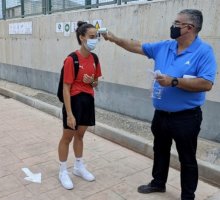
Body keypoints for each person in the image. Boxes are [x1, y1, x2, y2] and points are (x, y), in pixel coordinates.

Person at [103, 9, 217, 200]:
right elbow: (137, 46)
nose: (173, 26)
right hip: (161, 114)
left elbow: (206, 83)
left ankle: (188, 195)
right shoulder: (166, 46)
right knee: (160, 150)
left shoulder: (204, 52)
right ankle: (158, 183)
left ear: (189, 28)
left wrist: (174, 81)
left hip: (186, 117)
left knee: (187, 158)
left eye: (177, 23)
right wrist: (115, 39)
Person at [58, 21, 102, 190]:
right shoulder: (72, 59)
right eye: (92, 37)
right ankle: (62, 170)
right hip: (74, 103)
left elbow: (96, 82)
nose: (95, 40)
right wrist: (69, 113)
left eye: (96, 37)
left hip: (88, 101)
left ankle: (78, 167)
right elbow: (66, 88)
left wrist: (92, 81)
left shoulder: (95, 59)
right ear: (82, 37)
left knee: (80, 136)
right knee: (67, 137)